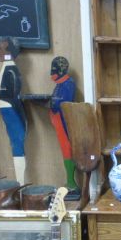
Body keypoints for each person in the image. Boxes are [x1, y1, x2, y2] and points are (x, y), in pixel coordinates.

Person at [0, 36, 27, 185]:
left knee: (17, 145)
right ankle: (19, 182)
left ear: (9, 51)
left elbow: (11, 92)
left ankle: (21, 182)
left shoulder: (11, 68)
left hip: (10, 109)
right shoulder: (7, 67)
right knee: (15, 144)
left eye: (1, 49)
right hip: (7, 109)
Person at [49, 56, 79, 198]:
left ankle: (71, 183)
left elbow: (63, 103)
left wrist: (50, 103)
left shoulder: (68, 84)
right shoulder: (60, 85)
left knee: (68, 150)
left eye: (54, 69)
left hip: (64, 121)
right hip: (58, 121)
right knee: (65, 150)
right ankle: (70, 182)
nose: (52, 72)